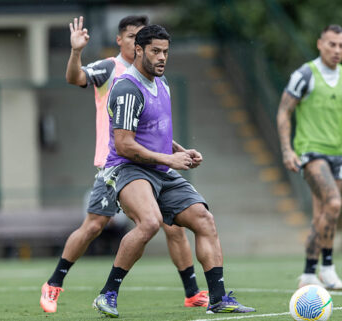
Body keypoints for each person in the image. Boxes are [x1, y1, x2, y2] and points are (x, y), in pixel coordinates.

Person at [39, 16, 209, 313]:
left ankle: (193, 292)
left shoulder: (155, 78)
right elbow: (74, 78)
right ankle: (54, 283)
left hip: (149, 165)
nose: (135, 42)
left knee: (172, 226)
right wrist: (76, 51)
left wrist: (176, 149)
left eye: (140, 37)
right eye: (131, 36)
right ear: (120, 40)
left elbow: (153, 129)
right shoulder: (110, 68)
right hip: (114, 164)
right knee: (93, 226)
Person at [91, 24, 255, 318]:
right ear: (138, 50)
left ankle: (217, 298)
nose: (162, 57)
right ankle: (108, 293)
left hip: (159, 168)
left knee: (204, 220)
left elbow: (153, 132)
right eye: (155, 51)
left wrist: (179, 151)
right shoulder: (128, 88)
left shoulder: (161, 83)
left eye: (165, 51)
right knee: (151, 222)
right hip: (127, 169)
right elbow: (125, 144)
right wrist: (169, 160)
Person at [276, 24, 342, 290]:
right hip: (310, 152)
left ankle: (324, 269)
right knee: (333, 203)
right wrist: (287, 150)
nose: (337, 50)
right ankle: (311, 272)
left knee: (326, 213)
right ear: (320, 43)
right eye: (332, 44)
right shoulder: (305, 75)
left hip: (337, 154)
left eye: (341, 45)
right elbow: (284, 112)